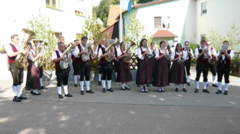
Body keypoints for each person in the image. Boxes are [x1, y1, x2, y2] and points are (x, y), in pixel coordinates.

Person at [5, 34, 27, 102]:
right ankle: (15, 96)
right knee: (16, 80)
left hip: (19, 64)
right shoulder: (9, 45)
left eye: (18, 39)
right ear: (12, 39)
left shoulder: (18, 46)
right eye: (17, 39)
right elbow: (10, 54)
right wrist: (20, 51)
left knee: (20, 81)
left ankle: (18, 94)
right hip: (13, 64)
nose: (18, 40)